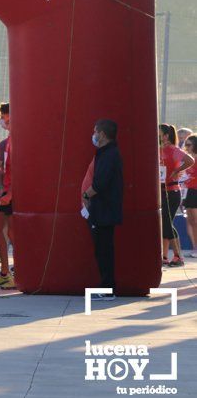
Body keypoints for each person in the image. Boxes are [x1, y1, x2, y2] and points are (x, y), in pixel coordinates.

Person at [82, 119, 124, 301]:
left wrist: (86, 195)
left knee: (104, 249)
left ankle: (108, 288)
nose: (93, 135)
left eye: (95, 131)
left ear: (103, 134)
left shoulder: (109, 154)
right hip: (103, 209)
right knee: (102, 249)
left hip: (104, 210)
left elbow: (100, 183)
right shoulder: (106, 153)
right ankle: (106, 286)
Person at [159, 124, 193, 267]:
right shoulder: (159, 149)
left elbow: (190, 160)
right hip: (162, 190)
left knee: (166, 223)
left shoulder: (173, 149)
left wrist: (176, 170)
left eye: (159, 133)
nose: (157, 136)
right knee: (165, 224)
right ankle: (165, 256)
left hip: (172, 192)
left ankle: (178, 257)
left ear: (166, 135)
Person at [0, 102, 14, 288]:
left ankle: (12, 272)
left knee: (11, 233)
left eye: (6, 116)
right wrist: (1, 190)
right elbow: (1, 169)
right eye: (3, 117)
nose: (4, 120)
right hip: (5, 193)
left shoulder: (18, 141)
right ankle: (6, 271)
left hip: (13, 194)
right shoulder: (6, 142)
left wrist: (11, 193)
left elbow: (22, 169)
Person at [181, 135, 197, 258]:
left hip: (195, 190)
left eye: (189, 145)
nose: (186, 147)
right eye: (185, 144)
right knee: (190, 221)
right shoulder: (186, 158)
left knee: (195, 221)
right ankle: (194, 247)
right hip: (187, 191)